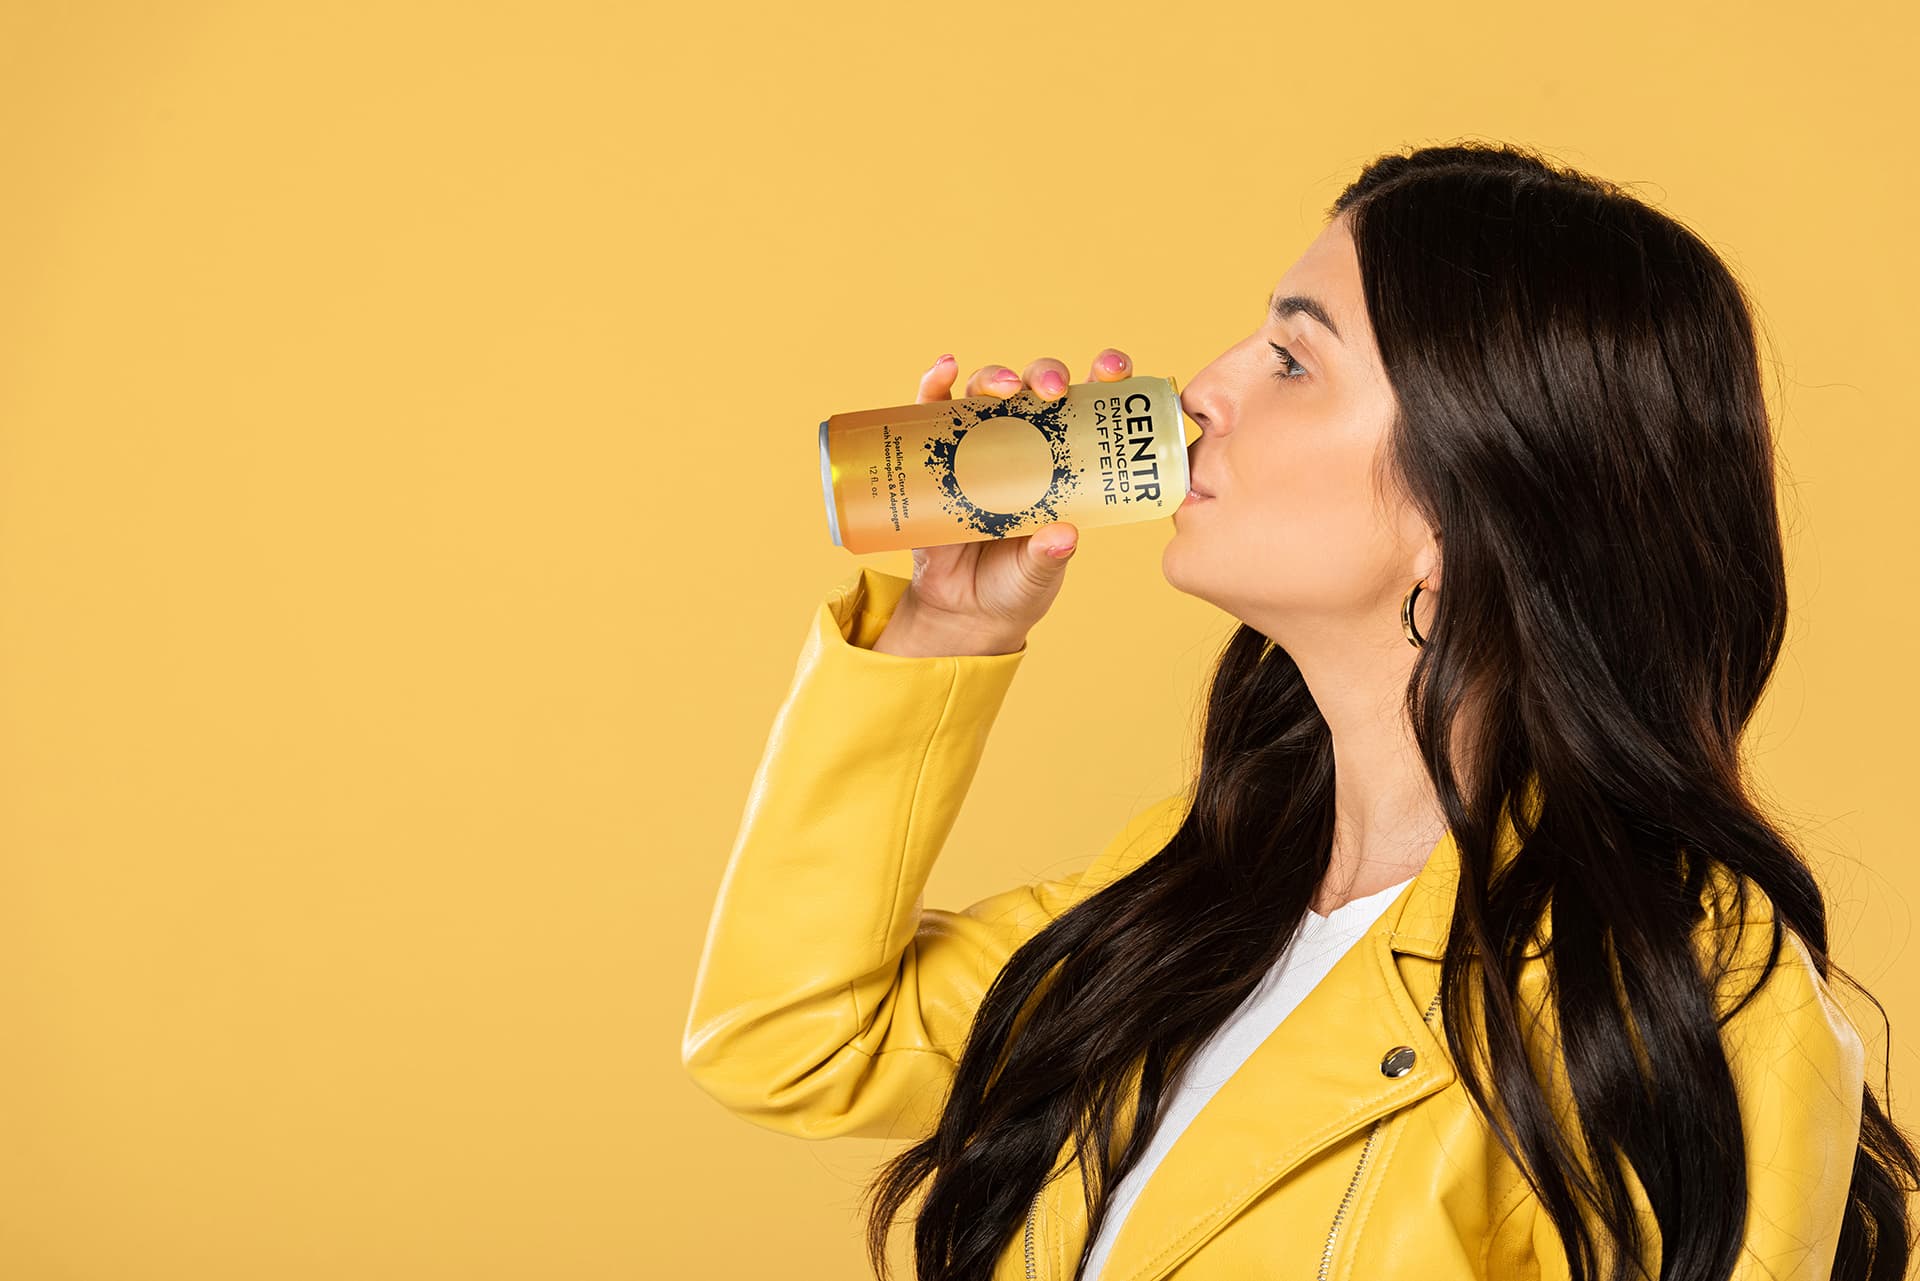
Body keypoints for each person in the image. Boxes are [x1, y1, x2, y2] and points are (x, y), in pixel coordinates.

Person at [681, 141, 1917, 1281]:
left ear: (1464, 508)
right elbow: (793, 1037)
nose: (1205, 387)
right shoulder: (1182, 909)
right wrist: (948, 631)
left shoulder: (1680, 1004)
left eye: (1291, 359)